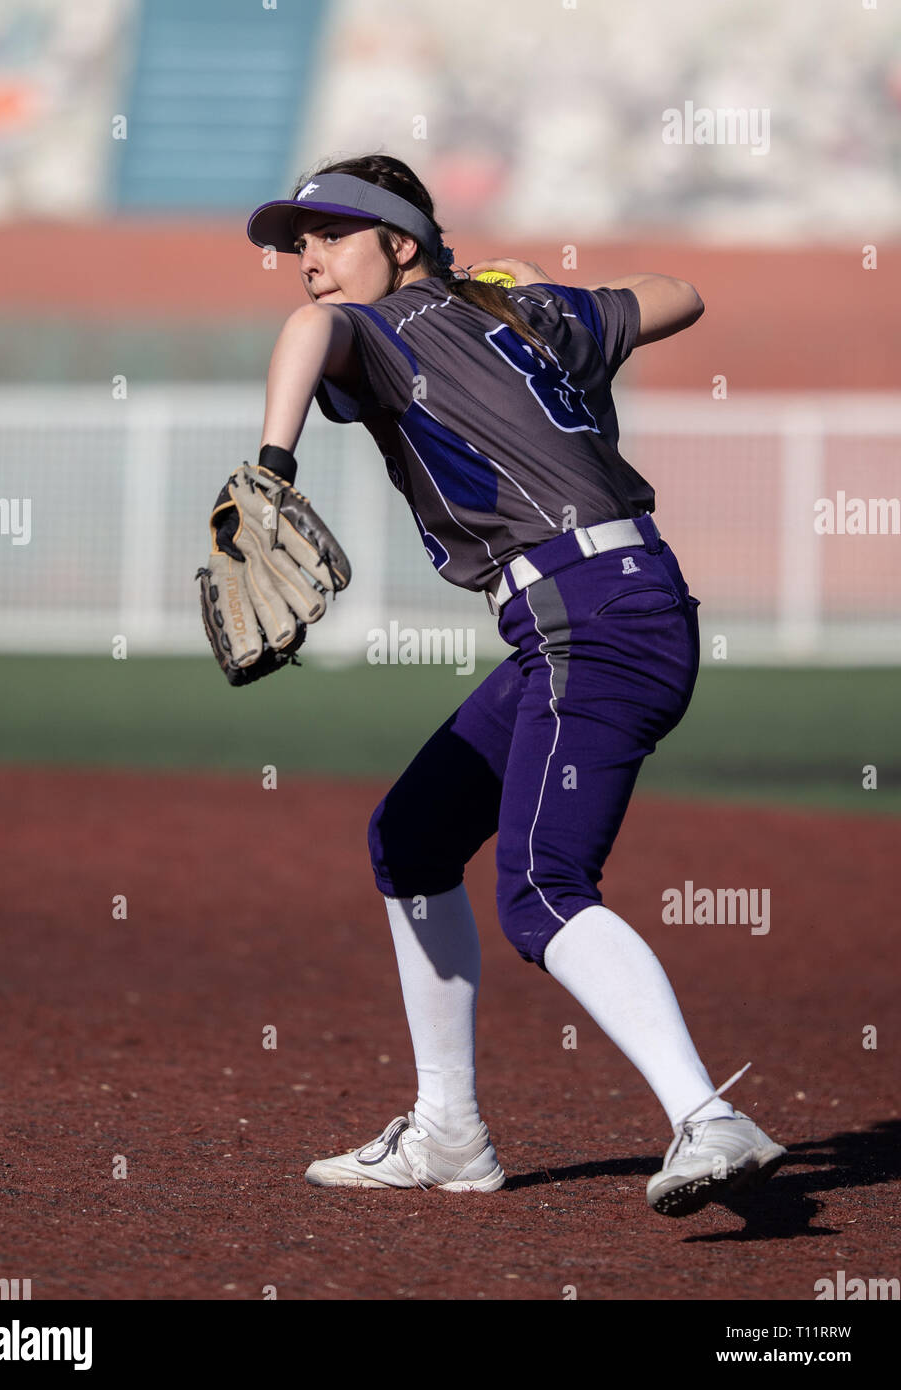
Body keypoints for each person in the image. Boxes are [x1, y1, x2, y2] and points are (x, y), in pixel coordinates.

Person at [245, 153, 786, 1216]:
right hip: (607, 607)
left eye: (333, 233)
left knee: (541, 888)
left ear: (399, 242)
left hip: (585, 613)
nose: (308, 259)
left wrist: (271, 464)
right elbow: (682, 294)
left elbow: (316, 334)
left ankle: (706, 1116)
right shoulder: (524, 314)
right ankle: (448, 1134)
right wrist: (531, 288)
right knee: (411, 839)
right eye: (297, 241)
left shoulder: (381, 323)